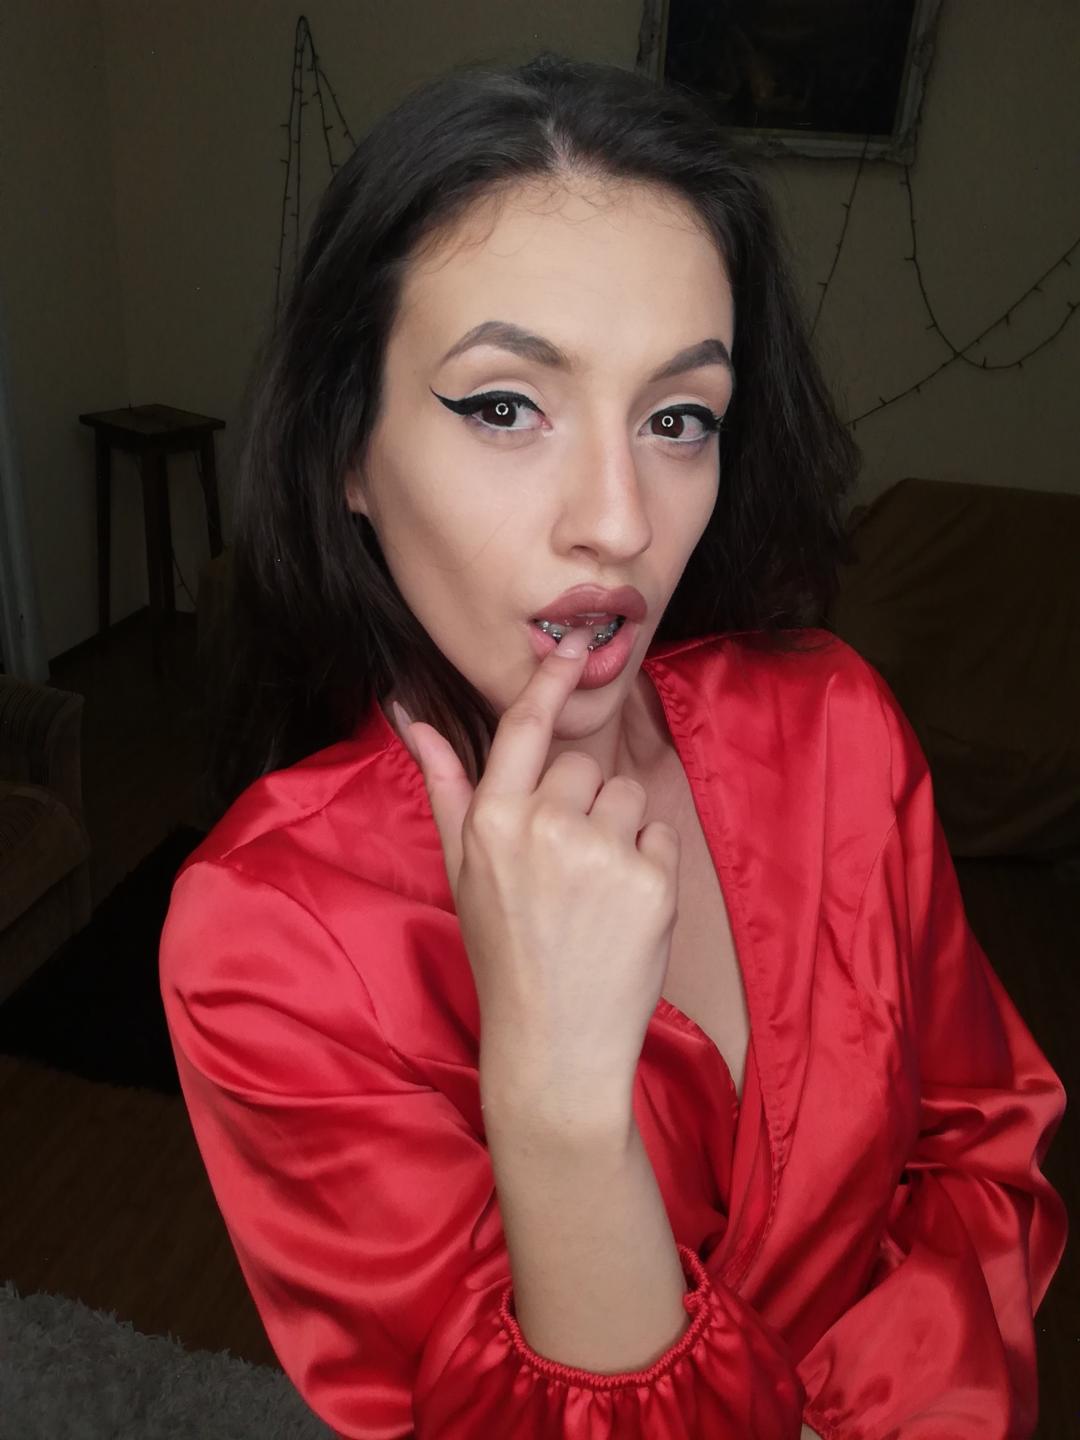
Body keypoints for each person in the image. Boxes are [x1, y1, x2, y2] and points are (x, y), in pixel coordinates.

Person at [159, 51, 1067, 1440]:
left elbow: (983, 1152)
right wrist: (560, 1112)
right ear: (346, 450)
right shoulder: (268, 933)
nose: (622, 520)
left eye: (677, 419)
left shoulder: (833, 727)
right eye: (505, 406)